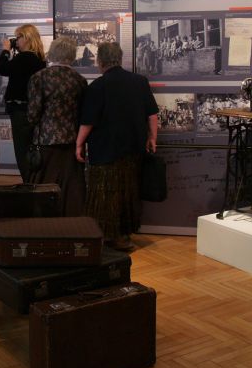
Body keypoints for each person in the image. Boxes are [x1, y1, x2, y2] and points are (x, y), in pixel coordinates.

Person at [76, 42, 159, 250]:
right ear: (119, 59)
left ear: (100, 61)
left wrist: (79, 144)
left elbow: (88, 122)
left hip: (105, 150)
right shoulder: (139, 82)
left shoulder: (97, 86)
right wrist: (152, 138)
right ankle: (123, 236)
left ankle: (103, 236)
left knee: (103, 194)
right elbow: (152, 114)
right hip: (133, 148)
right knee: (128, 192)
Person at [27, 36, 87, 216]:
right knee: (71, 188)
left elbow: (33, 114)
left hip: (46, 141)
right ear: (72, 55)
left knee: (45, 186)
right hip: (72, 142)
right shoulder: (79, 80)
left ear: (52, 52)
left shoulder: (39, 78)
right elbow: (82, 113)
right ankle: (70, 223)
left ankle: (45, 223)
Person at [0, 24, 45, 181]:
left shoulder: (23, 58)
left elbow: (1, 68)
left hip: (20, 111)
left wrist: (5, 50)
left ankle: (28, 184)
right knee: (32, 149)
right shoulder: (40, 59)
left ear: (27, 38)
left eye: (18, 38)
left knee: (21, 151)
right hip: (34, 110)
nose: (15, 41)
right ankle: (35, 182)